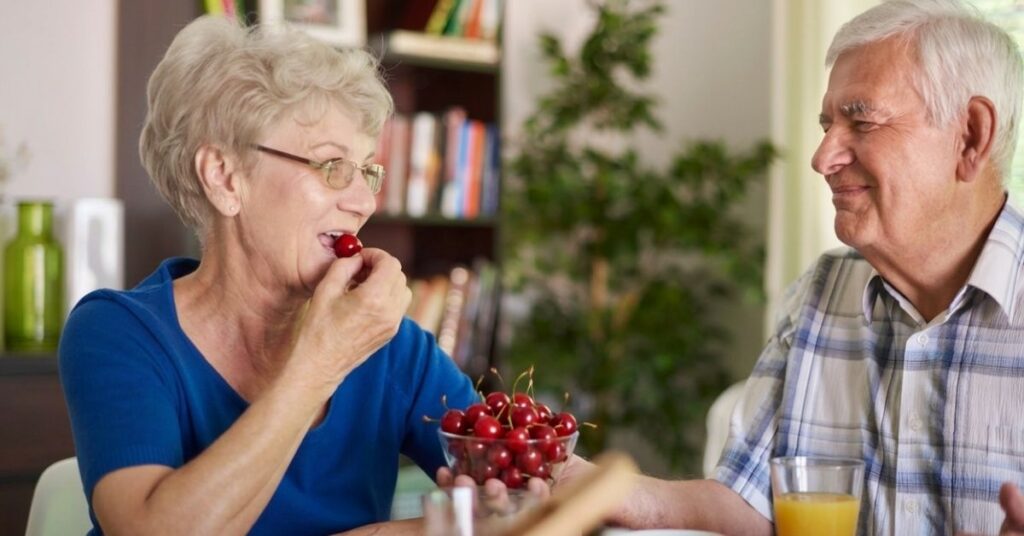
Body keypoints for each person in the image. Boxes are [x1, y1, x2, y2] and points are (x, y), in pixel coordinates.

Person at [564, 0, 1024, 534]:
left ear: (970, 135)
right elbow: (750, 503)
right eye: (829, 124)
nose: (822, 156)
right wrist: (584, 486)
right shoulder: (823, 293)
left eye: (863, 121)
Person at [58, 15, 480, 535]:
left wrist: (564, 478)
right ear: (225, 178)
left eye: (367, 170)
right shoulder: (119, 333)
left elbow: (512, 478)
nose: (364, 201)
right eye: (332, 166)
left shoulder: (389, 345)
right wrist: (324, 361)